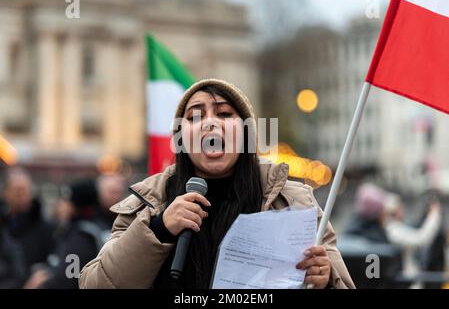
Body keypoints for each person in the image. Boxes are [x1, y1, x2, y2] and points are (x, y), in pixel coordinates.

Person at [79, 78, 354, 289]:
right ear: (181, 137)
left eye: (224, 114)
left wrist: (325, 278)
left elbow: (339, 280)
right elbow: (97, 283)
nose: (210, 123)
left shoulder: (297, 203)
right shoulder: (146, 201)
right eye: (196, 116)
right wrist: (159, 229)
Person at [24, 179, 101, 289]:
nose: (61, 205)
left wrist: (41, 285)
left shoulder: (81, 239)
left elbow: (69, 281)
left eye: (66, 201)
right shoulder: (74, 231)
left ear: (76, 207)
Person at [0, 167, 54, 278]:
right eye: (17, 190)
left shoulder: (47, 228)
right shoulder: (4, 226)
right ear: (5, 193)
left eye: (24, 190)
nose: (21, 195)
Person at [383, 192, 442, 288]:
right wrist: (434, 214)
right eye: (400, 207)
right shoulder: (393, 230)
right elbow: (421, 239)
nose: (403, 210)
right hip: (406, 282)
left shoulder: (394, 227)